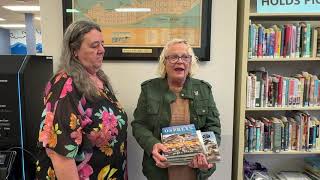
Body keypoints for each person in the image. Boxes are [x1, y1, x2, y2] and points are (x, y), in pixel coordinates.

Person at [35, 20, 127, 180]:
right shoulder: (66, 86)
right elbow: (59, 152)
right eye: (94, 46)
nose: (102, 50)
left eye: (102, 44)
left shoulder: (98, 79)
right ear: (74, 50)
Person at [131, 39, 221, 180]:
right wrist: (153, 145)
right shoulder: (149, 89)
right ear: (164, 63)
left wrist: (208, 155)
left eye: (185, 57)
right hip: (159, 171)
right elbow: (139, 125)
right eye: (173, 57)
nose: (180, 61)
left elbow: (212, 126)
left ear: (190, 63)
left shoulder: (204, 90)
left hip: (195, 171)